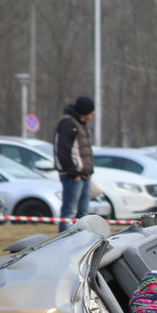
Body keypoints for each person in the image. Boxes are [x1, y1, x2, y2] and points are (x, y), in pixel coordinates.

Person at [53, 96, 95, 232]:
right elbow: (62, 151)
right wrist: (73, 173)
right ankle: (63, 242)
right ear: (85, 111)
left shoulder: (81, 124)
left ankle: (81, 243)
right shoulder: (68, 124)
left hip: (84, 176)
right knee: (68, 212)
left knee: (83, 214)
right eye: (91, 112)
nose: (93, 115)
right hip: (73, 177)